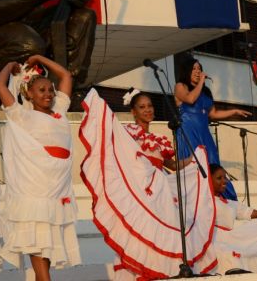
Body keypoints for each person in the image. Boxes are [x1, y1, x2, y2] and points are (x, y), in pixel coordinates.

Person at [79, 88, 217, 279]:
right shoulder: (128, 134)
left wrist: (196, 158)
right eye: (142, 107)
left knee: (164, 231)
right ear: (133, 112)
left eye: (150, 106)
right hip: (140, 190)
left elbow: (172, 165)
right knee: (142, 228)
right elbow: (118, 150)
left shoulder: (157, 139)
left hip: (160, 192)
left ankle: (161, 270)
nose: (148, 110)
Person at [0, 55, 80, 280]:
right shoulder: (22, 115)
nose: (48, 94)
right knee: (37, 235)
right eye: (41, 90)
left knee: (50, 236)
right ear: (28, 94)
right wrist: (9, 65)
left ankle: (44, 276)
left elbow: (66, 75)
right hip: (35, 183)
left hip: (58, 183)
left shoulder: (60, 109)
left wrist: (40, 59)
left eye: (50, 90)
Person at [174, 57, 251, 200]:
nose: (198, 72)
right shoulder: (181, 86)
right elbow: (190, 99)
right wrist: (202, 81)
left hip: (205, 135)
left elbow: (213, 114)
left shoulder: (206, 92)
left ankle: (225, 201)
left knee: (214, 166)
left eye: (199, 69)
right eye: (194, 69)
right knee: (193, 167)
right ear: (187, 71)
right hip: (188, 135)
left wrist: (233, 111)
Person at [209, 164, 257, 274]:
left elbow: (254, 213)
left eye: (225, 177)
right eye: (219, 178)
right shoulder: (202, 202)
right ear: (209, 179)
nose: (225, 181)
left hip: (230, 241)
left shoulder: (231, 204)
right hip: (213, 243)